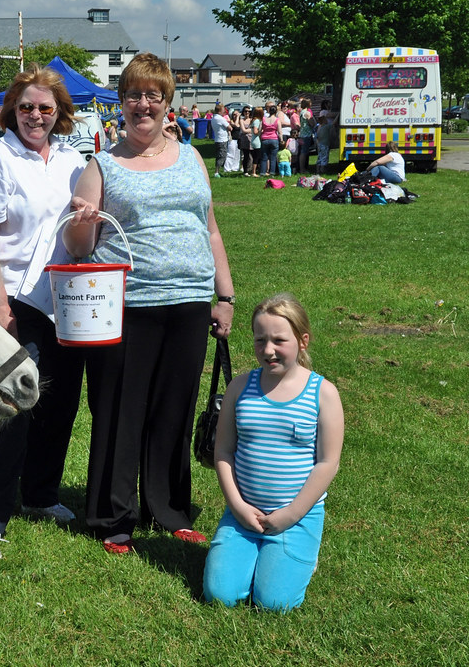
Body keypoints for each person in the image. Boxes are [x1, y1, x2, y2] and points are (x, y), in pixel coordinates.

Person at [63, 52, 236, 555]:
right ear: (121, 103)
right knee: (120, 409)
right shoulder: (102, 165)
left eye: (153, 96)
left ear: (167, 104)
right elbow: (78, 247)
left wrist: (223, 295)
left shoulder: (191, 157)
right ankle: (114, 515)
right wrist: (82, 218)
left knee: (173, 410)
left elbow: (211, 230)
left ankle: (169, 508)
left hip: (188, 301)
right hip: (127, 303)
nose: (143, 104)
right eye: (134, 95)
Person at [0, 64, 88, 560]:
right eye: (27, 107)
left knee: (59, 404)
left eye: (45, 108)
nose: (36, 116)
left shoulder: (74, 160)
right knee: (9, 409)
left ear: (60, 114)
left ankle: (40, 493)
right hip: (14, 297)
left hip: (68, 299)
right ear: (12, 110)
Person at [203, 294, 344, 611]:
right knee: (219, 595)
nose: (268, 350)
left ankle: (300, 556)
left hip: (296, 518)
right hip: (243, 516)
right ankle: (249, 553)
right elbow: (223, 451)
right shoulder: (240, 388)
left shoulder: (323, 393)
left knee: (274, 603)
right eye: (260, 340)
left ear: (302, 340)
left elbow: (327, 462)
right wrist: (237, 506)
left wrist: (291, 514)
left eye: (279, 340)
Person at [210, 103, 232, 178]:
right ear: (219, 111)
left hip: (217, 139)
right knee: (222, 156)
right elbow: (230, 128)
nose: (224, 112)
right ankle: (216, 172)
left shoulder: (214, 118)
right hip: (222, 140)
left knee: (219, 155)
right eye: (223, 110)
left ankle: (218, 171)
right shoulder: (220, 118)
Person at [259, 104, 281, 176]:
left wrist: (260, 137)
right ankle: (272, 172)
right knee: (273, 158)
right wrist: (281, 140)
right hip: (274, 139)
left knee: (264, 157)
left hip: (265, 139)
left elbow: (260, 130)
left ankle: (262, 172)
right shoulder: (277, 120)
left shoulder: (264, 119)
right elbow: (280, 132)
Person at [297, 98, 316, 174]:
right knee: (304, 152)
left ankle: (301, 168)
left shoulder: (301, 112)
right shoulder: (307, 113)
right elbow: (312, 123)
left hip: (302, 134)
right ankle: (302, 169)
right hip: (306, 134)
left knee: (302, 152)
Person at [314, 111, 333, 176]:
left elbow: (317, 137)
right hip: (325, 145)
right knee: (324, 157)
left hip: (320, 144)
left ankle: (317, 170)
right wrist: (338, 116)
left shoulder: (319, 127)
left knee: (319, 157)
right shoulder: (326, 127)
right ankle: (323, 170)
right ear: (324, 121)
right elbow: (333, 124)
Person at [247, 108, 263, 177]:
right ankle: (254, 172)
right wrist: (261, 131)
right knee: (256, 156)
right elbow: (255, 131)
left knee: (255, 156)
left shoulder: (254, 120)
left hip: (253, 139)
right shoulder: (257, 121)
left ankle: (253, 171)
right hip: (256, 140)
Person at [238, 107, 254, 176]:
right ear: (243, 112)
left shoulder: (252, 120)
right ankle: (245, 171)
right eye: (245, 111)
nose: (247, 113)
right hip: (244, 139)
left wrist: (249, 130)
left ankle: (251, 169)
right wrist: (251, 130)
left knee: (253, 155)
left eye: (248, 111)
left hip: (252, 139)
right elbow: (243, 130)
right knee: (246, 155)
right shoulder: (242, 120)